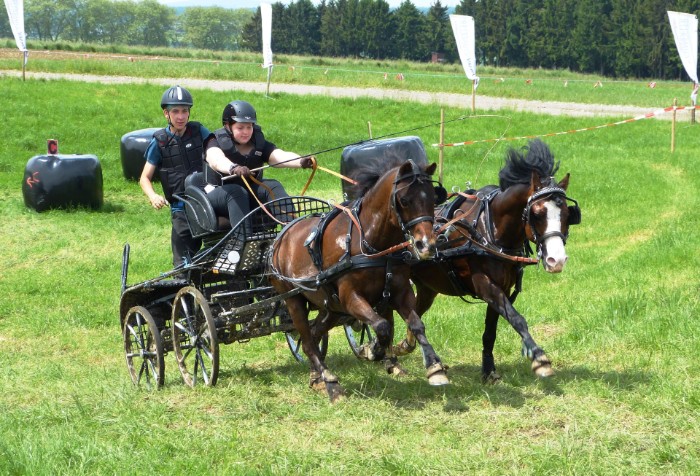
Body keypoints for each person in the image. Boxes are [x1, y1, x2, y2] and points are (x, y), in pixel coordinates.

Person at [201, 100, 314, 227]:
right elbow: (216, 160)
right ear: (227, 126)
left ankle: (291, 230)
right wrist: (233, 168)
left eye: (249, 127)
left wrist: (300, 161)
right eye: (240, 127)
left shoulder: (258, 142)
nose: (246, 132)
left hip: (247, 194)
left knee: (273, 185)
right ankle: (243, 238)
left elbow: (277, 155)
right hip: (217, 195)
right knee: (237, 191)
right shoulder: (214, 141)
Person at [139, 85, 211, 267]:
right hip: (181, 208)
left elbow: (218, 150)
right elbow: (144, 178)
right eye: (175, 111)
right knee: (182, 265)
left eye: (185, 111)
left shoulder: (199, 132)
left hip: (207, 202)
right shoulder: (160, 142)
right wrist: (153, 196)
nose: (181, 116)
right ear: (166, 114)